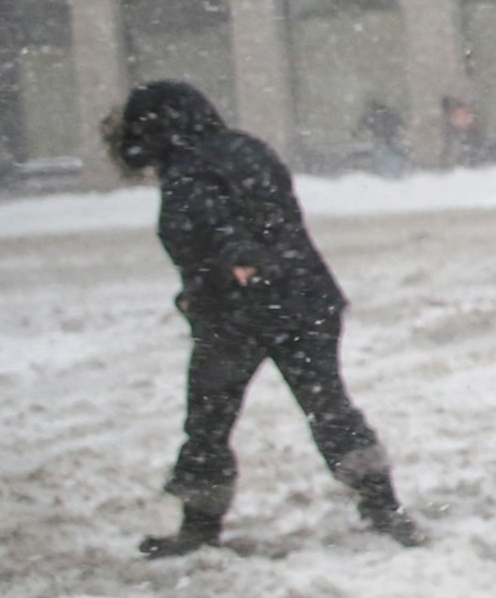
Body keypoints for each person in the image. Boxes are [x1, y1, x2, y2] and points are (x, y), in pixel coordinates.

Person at [103, 80, 420, 556]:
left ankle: (199, 526)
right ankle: (383, 508)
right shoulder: (246, 149)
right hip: (306, 298)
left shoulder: (189, 169)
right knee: (328, 405)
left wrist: (234, 267)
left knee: (209, 419)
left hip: (241, 312)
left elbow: (220, 226)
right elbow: (268, 215)